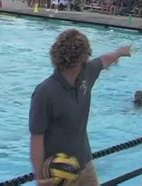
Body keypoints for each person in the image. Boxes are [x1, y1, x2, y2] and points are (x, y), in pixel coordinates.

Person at [29, 29, 131, 186]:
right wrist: (40, 178)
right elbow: (37, 138)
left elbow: (104, 60)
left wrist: (119, 53)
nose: (89, 58)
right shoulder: (44, 93)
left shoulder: (86, 74)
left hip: (85, 163)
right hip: (58, 173)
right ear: (81, 58)